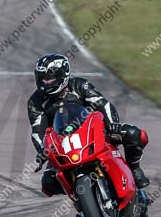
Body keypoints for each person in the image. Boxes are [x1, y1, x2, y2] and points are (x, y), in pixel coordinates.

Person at [27, 53, 150, 197]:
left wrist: (112, 124)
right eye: (42, 79)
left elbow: (103, 104)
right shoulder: (35, 102)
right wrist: (43, 150)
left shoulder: (79, 85)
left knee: (134, 135)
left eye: (49, 78)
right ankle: (81, 199)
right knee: (48, 182)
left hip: (95, 132)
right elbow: (37, 131)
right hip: (63, 145)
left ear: (63, 75)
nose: (45, 83)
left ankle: (134, 169)